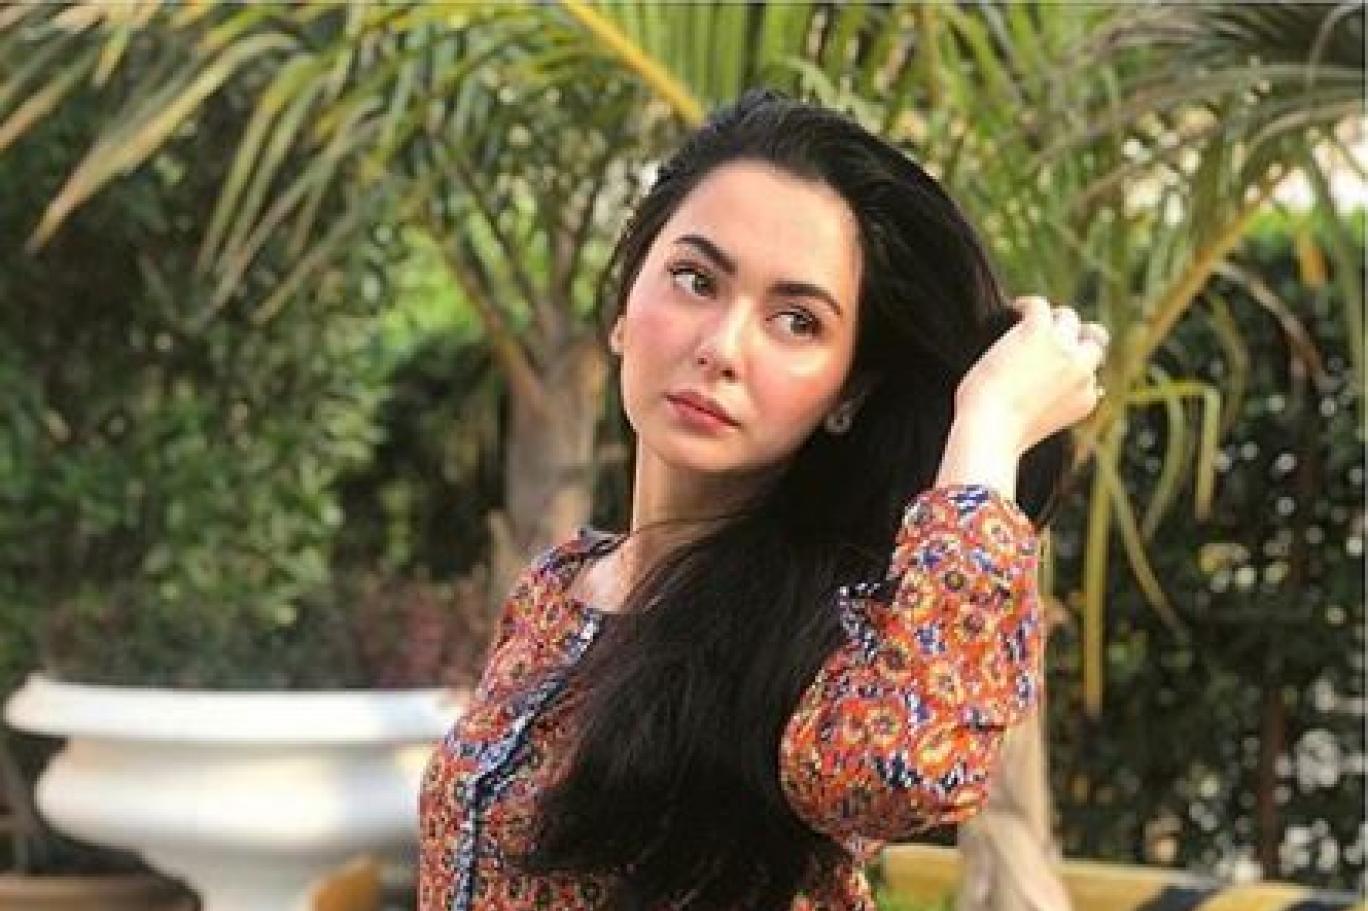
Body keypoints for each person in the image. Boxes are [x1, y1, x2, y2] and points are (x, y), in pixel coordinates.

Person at [418, 88, 1108, 911]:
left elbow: (905, 767)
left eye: (796, 321)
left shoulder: (827, 628)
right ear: (624, 306)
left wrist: (990, 421)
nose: (722, 347)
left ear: (848, 393)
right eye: (694, 279)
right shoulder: (554, 590)